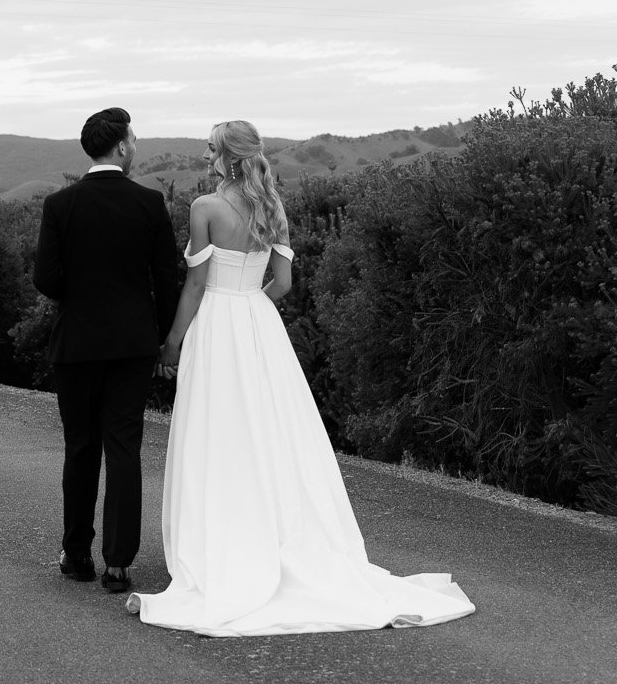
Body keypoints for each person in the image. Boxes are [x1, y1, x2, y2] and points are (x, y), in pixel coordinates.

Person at [130, 120, 476, 636]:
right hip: (260, 325)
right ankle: (277, 535)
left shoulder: (205, 209)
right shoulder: (273, 207)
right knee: (274, 432)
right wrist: (250, 310)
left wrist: (176, 341)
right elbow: (284, 283)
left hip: (217, 326)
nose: (204, 157)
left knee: (219, 429)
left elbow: (196, 285)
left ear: (227, 156)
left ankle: (221, 542)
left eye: (209, 150)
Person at [33, 106, 180, 592]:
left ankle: (76, 556)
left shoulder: (60, 205)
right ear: (121, 146)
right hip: (133, 344)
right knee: (124, 448)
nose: (136, 146)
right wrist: (163, 340)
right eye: (134, 139)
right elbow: (165, 278)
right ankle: (117, 564)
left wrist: (83, 296)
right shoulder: (149, 202)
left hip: (76, 344)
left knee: (80, 448)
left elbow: (46, 280)